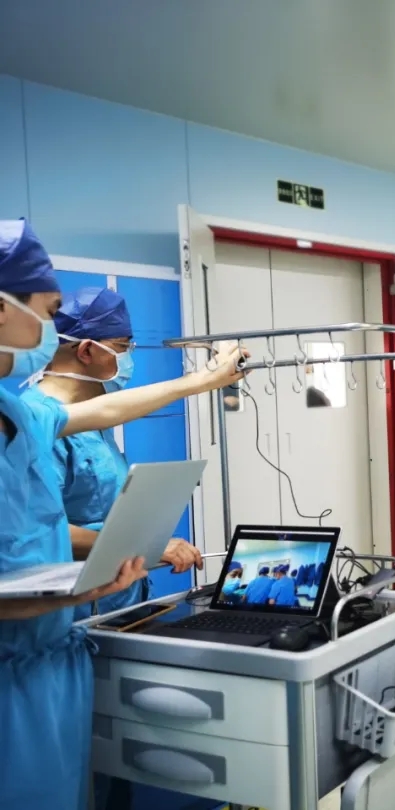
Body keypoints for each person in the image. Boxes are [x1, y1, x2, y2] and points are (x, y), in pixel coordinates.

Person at [0, 218, 247, 809]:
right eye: (48, 311)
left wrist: (205, 380)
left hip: (53, 648)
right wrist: (87, 577)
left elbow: (108, 411)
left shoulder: (21, 413)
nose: (49, 329)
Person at [23, 287, 204, 622]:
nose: (128, 358)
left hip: (121, 602)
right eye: (123, 347)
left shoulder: (92, 418)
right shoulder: (36, 423)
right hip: (76, 613)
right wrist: (141, 547)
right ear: (87, 350)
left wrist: (145, 543)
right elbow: (39, 529)